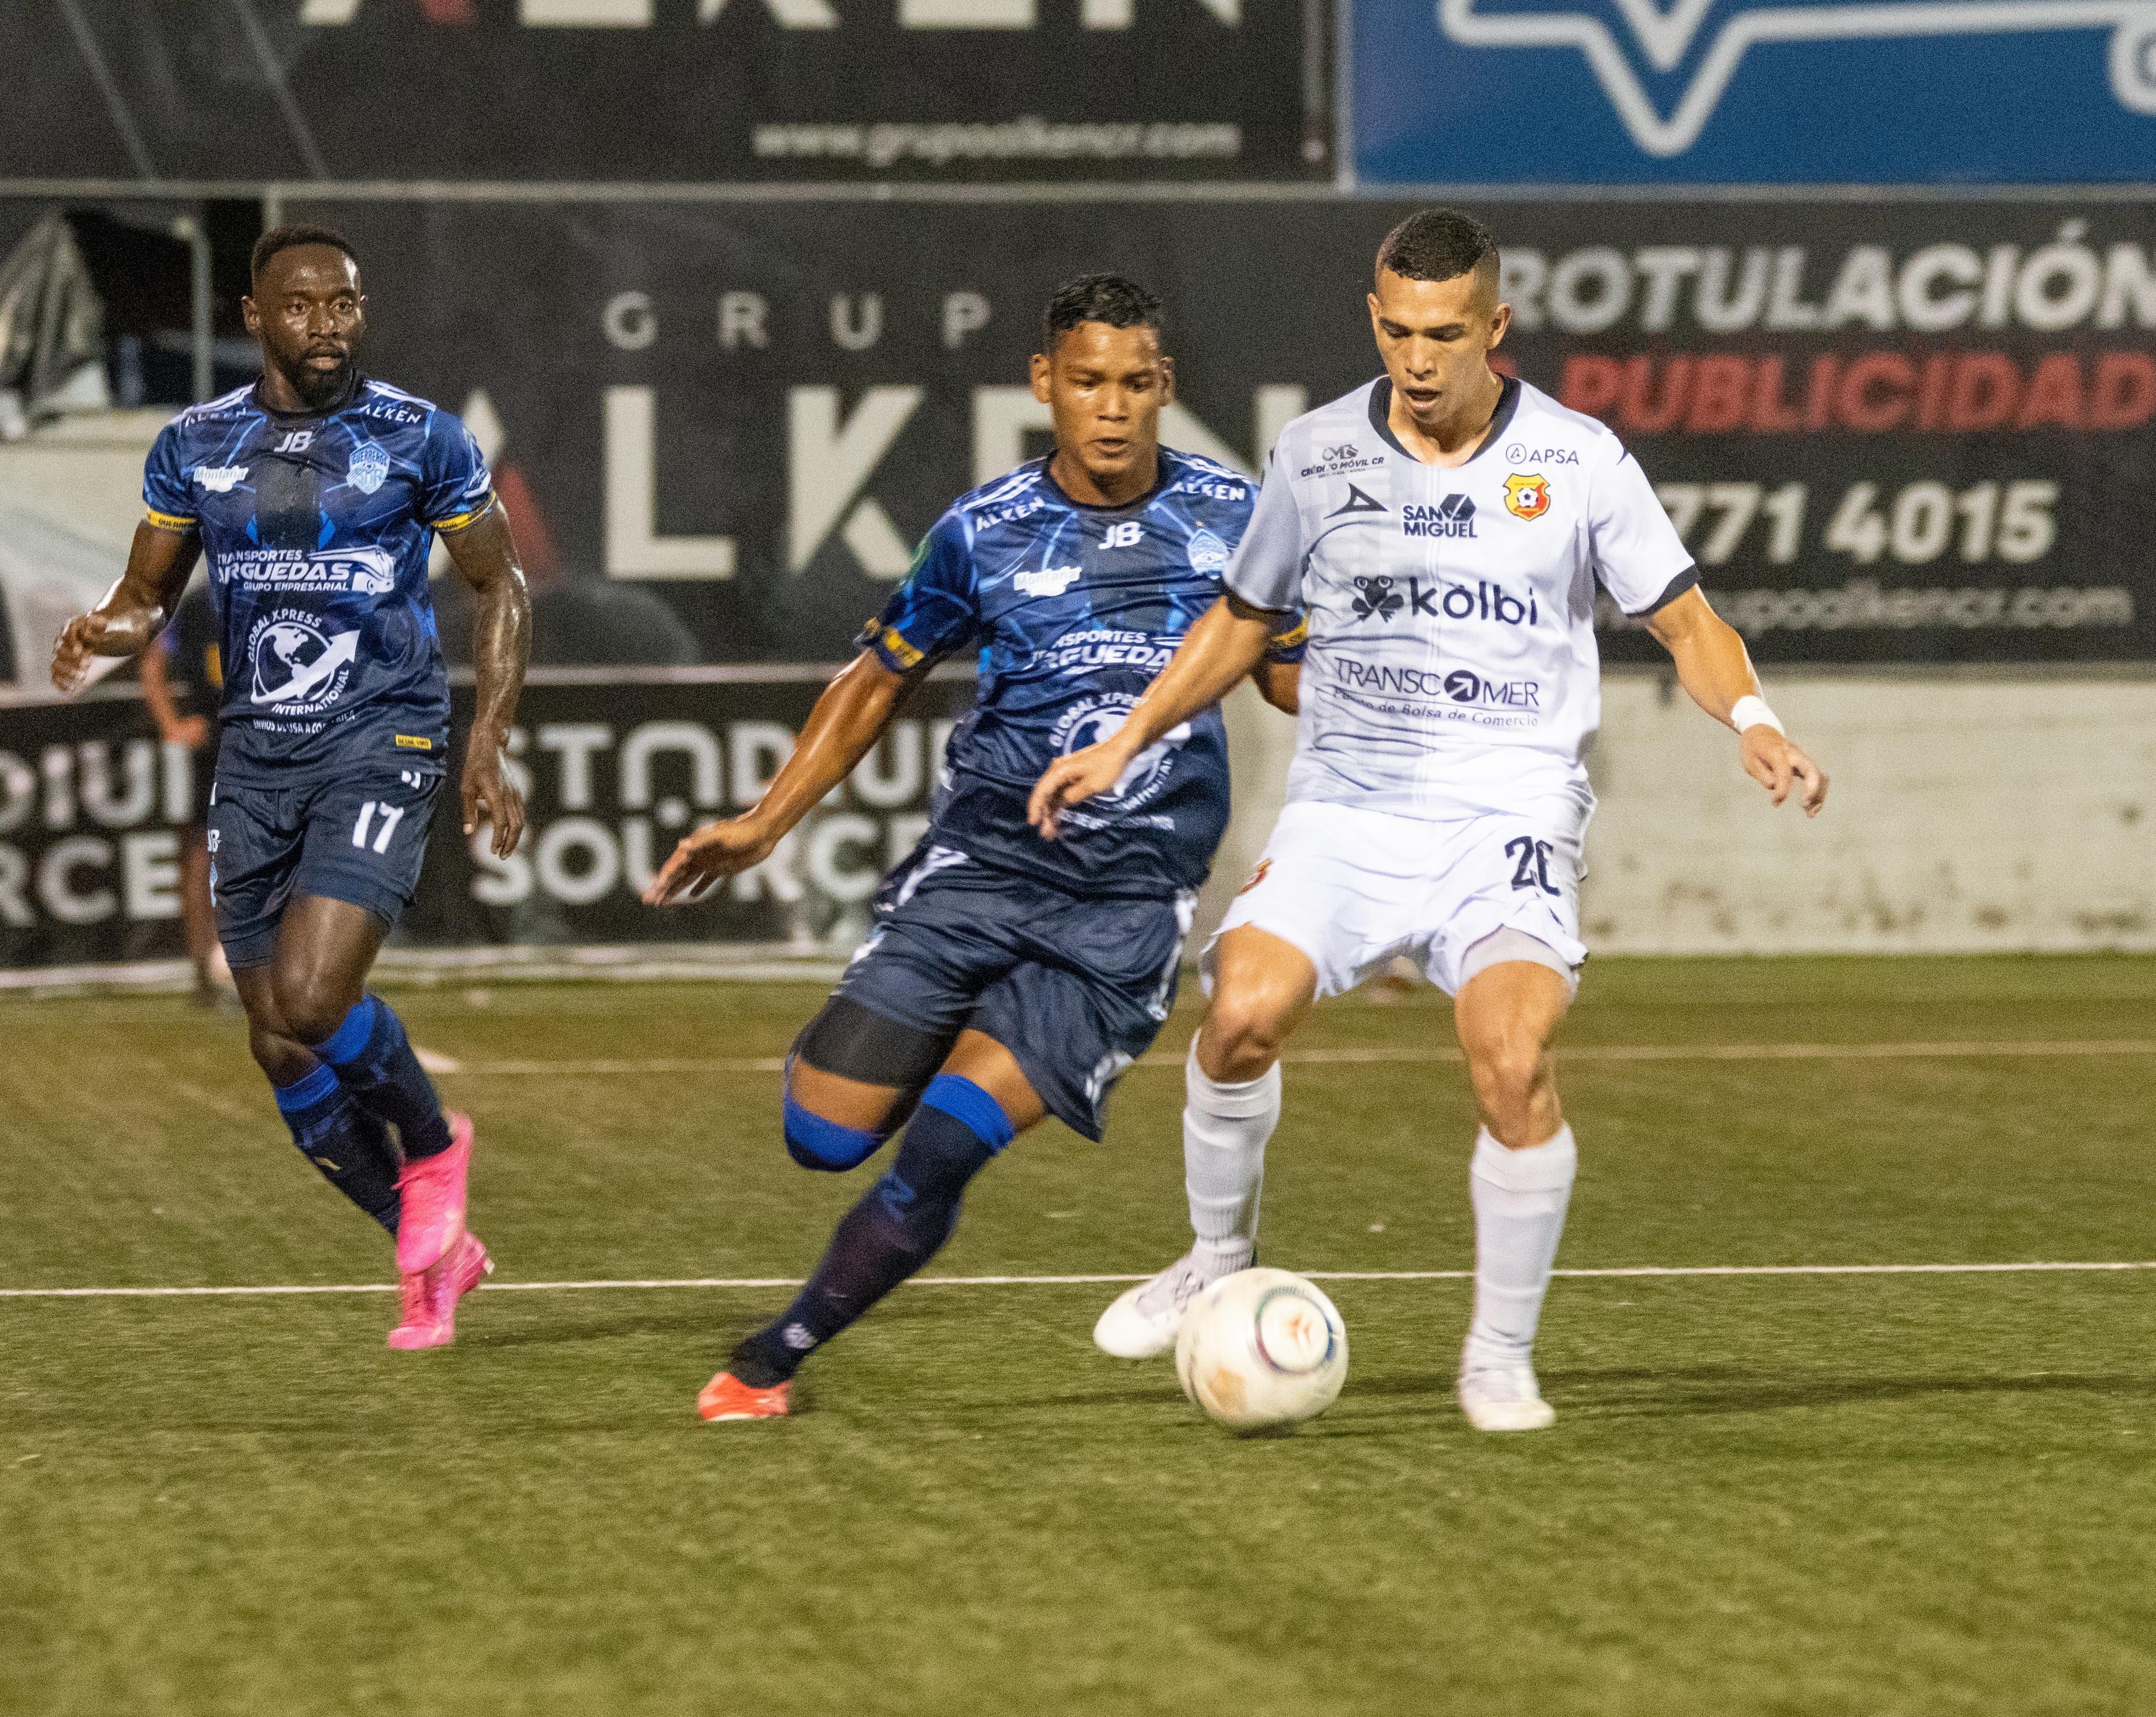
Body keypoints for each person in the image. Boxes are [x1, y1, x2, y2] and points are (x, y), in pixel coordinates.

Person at [1030, 209, 1830, 1432]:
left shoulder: (1577, 461)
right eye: (1398, 330)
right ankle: (1212, 1259)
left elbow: (1683, 619)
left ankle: (1498, 1355)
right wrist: (1125, 739)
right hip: (1349, 806)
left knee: (1512, 1059)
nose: (1417, 359)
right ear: (1373, 320)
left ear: (1494, 328)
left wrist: (1755, 720)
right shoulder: (1311, 455)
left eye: (1445, 334)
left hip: (1504, 812)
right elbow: (1243, 622)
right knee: (1239, 1015)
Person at [647, 275, 1303, 1423]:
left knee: (941, 1153)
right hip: (980, 874)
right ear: (1043, 382)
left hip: (1120, 913)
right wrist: (764, 821)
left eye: (1136, 384)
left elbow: (1298, 678)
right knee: (820, 1135)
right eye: (1088, 381)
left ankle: (771, 1358)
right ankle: (937, 1013)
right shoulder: (981, 532)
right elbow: (876, 679)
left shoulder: (1236, 516)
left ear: (1166, 388)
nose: (1112, 407)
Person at [51, 223, 532, 1351]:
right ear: (254, 317)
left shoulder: (420, 437)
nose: (331, 325)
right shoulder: (197, 443)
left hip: (381, 736)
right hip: (257, 754)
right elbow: (147, 594)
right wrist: (103, 627)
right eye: (305, 306)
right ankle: (431, 1253)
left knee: (316, 1000)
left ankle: (433, 1143)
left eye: (347, 304)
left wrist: (489, 738)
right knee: (277, 1040)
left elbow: (499, 581)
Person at [136, 574, 227, 1005]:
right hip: (214, 745)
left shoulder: (285, 592)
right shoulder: (197, 604)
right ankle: (202, 972)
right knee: (199, 854)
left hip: (272, 742)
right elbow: (152, 663)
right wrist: (172, 726)